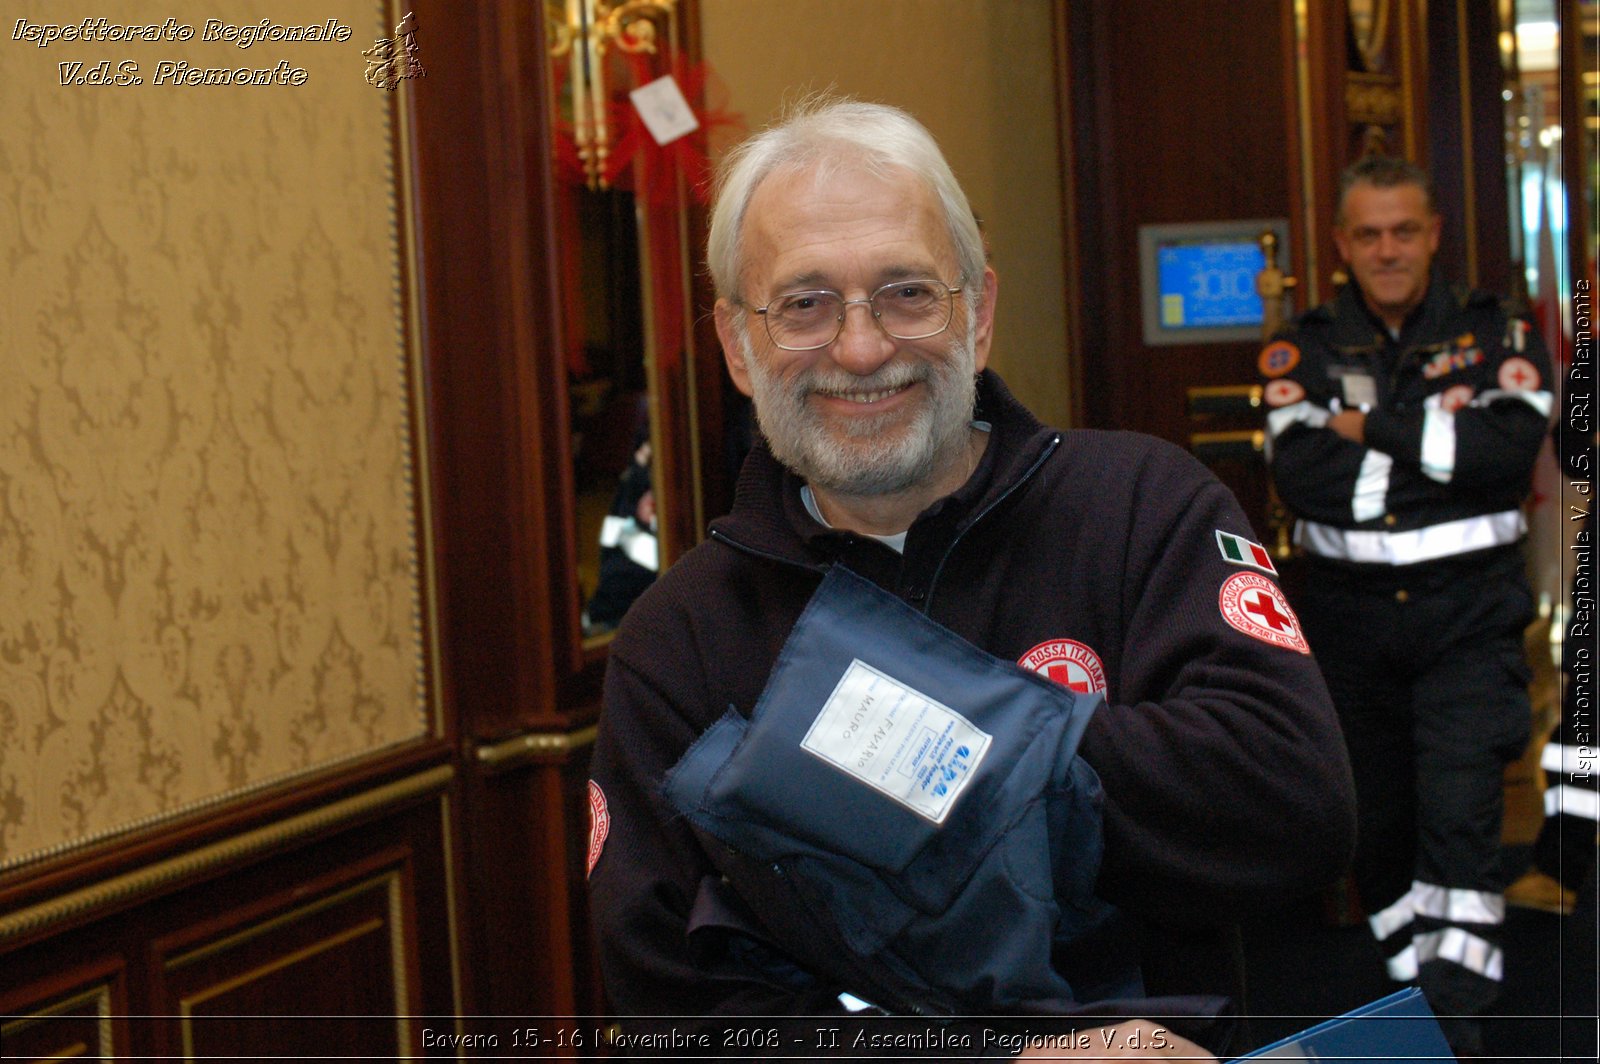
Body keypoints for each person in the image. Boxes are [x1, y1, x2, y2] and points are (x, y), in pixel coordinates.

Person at [587, 98, 1356, 1059]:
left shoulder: (1141, 509)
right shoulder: (680, 638)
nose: (862, 349)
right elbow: (678, 1014)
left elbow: (1293, 805)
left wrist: (880, 764)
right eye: (804, 303)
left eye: (908, 292)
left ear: (980, 313)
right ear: (739, 346)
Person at [1261, 155, 1555, 1054]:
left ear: (1432, 235)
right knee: (1378, 814)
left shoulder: (1496, 328)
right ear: (1344, 244)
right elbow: (1303, 478)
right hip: (1350, 619)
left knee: (1461, 805)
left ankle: (1456, 1008)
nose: (1388, 249)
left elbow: (1507, 456)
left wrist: (1369, 430)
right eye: (1369, 234)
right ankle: (1406, 979)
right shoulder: (1301, 346)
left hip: (1470, 613)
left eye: (1405, 231)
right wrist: (1439, 452)